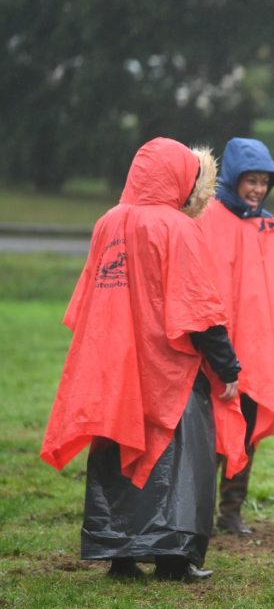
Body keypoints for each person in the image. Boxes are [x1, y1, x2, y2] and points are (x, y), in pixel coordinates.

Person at [40, 137, 249, 582]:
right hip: (170, 371)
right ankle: (174, 558)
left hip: (114, 367)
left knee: (115, 449)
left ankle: (120, 556)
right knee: (178, 460)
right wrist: (227, 367)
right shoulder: (177, 227)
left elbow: (88, 300)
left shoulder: (107, 223)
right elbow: (200, 308)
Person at [197, 138, 274, 536]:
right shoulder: (208, 217)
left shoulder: (267, 225)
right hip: (218, 346)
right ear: (232, 178)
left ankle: (231, 511)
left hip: (256, 348)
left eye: (265, 182)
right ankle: (197, 511)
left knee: (246, 431)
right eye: (251, 180)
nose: (258, 189)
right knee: (212, 431)